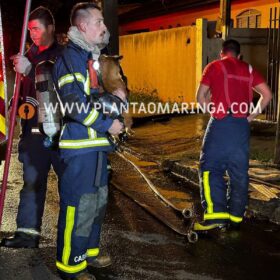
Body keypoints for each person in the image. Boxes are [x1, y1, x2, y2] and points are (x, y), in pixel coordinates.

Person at [52, 3, 124, 280]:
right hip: (79, 147)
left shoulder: (89, 57)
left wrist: (116, 101)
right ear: (82, 26)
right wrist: (109, 123)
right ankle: (71, 266)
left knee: (97, 202)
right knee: (78, 205)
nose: (104, 27)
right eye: (98, 21)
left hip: (95, 147)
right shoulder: (70, 58)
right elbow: (73, 105)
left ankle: (88, 251)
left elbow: (95, 98)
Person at [0, 6, 64, 248]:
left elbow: (56, 84)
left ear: (51, 28)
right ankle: (27, 234)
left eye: (36, 29)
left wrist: (29, 70)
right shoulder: (28, 54)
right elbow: (27, 95)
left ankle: (71, 240)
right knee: (32, 184)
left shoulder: (63, 56)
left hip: (60, 134)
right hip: (33, 136)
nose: (33, 34)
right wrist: (12, 107)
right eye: (30, 30)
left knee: (68, 187)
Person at [194, 39, 272, 232]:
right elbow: (267, 95)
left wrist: (212, 111)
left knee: (210, 168)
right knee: (239, 173)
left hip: (221, 123)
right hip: (241, 126)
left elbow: (200, 96)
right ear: (239, 55)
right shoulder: (248, 69)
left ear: (222, 53)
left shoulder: (214, 66)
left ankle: (215, 217)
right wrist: (251, 115)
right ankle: (236, 218)